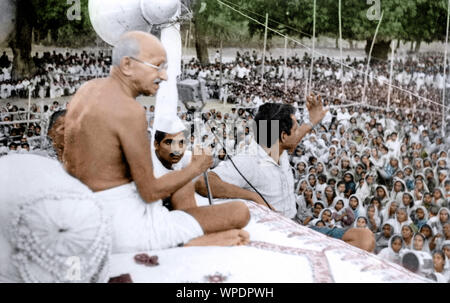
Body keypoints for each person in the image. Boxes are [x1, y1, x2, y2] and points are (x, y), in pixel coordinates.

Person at [63, 32, 250, 253]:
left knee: (180, 188)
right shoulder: (129, 110)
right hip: (127, 230)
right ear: (127, 65)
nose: (164, 76)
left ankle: (184, 234)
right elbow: (149, 192)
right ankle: (188, 243)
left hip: (89, 217)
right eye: (157, 66)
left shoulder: (87, 90)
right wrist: (197, 167)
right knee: (240, 212)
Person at [196, 97, 375, 252]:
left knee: (364, 238)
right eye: (295, 128)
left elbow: (293, 138)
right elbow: (204, 183)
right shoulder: (249, 160)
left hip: (298, 226)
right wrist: (252, 197)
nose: (298, 133)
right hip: (279, 235)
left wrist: (312, 121)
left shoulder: (277, 148)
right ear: (282, 136)